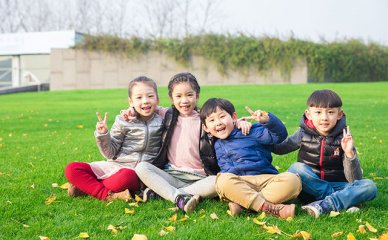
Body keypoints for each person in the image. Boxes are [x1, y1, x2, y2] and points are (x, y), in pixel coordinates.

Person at [133, 73, 251, 213]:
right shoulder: (166, 114)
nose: (184, 100)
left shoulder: (206, 118)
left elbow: (223, 123)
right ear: (172, 98)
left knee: (218, 181)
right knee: (142, 167)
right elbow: (146, 108)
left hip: (199, 179)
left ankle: (164, 193)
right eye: (178, 96)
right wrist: (131, 111)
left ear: (197, 95)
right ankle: (178, 197)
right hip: (172, 174)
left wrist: (239, 122)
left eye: (189, 95)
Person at [273, 89, 377, 218]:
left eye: (331, 112)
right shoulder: (302, 133)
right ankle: (343, 201)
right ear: (309, 114)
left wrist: (349, 153)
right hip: (310, 187)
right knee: (296, 168)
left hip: (338, 185)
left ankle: (324, 205)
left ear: (339, 114)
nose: (324, 118)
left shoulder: (344, 138)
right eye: (318, 112)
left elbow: (354, 179)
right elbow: (279, 149)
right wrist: (267, 124)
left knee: (369, 186)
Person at [64, 76, 163, 201]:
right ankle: (109, 195)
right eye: (139, 97)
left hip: (138, 173)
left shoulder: (163, 120)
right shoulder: (123, 120)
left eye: (150, 96)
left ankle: (86, 188)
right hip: (115, 166)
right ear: (130, 102)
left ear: (157, 99)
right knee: (72, 169)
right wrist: (103, 134)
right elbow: (110, 153)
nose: (145, 101)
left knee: (127, 177)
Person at [200, 98, 302, 219]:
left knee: (293, 180)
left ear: (233, 117)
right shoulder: (212, 142)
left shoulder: (250, 131)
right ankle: (269, 208)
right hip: (239, 182)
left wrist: (267, 119)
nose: (218, 123)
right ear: (206, 127)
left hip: (266, 179)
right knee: (222, 180)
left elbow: (279, 136)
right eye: (212, 120)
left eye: (222, 117)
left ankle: (243, 205)